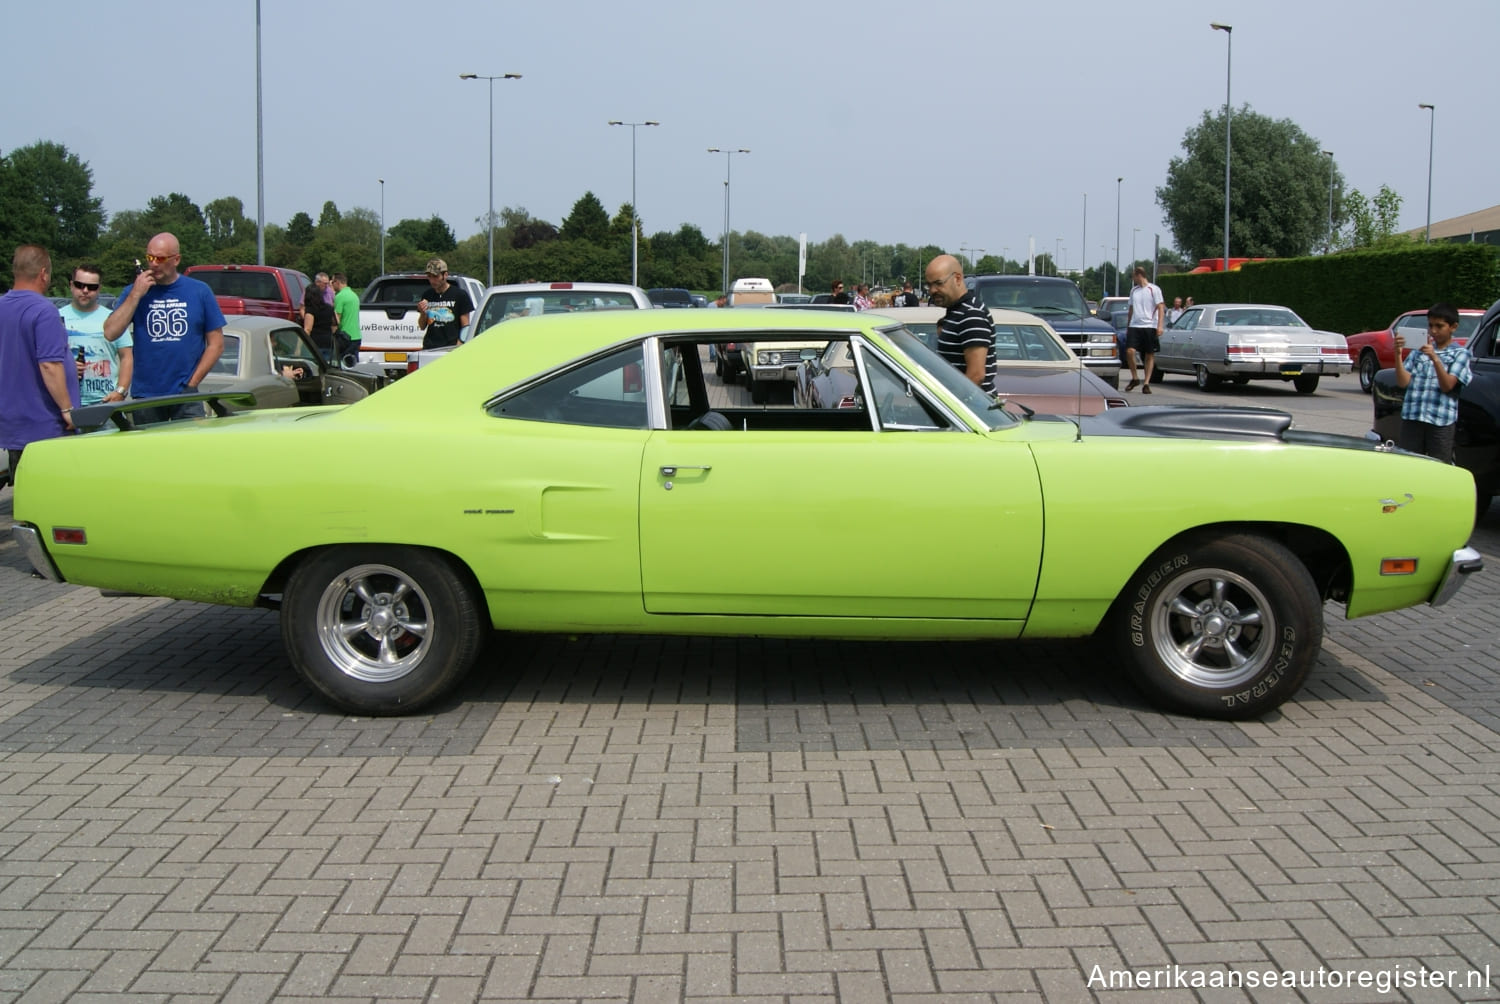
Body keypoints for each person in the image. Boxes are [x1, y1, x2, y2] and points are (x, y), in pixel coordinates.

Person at [103, 233, 225, 423]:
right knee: (151, 452)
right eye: (149, 258)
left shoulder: (199, 291)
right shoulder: (134, 291)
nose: (153, 264)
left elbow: (216, 344)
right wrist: (136, 294)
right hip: (146, 394)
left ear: (176, 259)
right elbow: (110, 332)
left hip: (186, 394)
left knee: (190, 450)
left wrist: (192, 383)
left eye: (160, 258)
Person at [0, 245, 79, 477]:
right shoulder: (44, 311)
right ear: (44, 273)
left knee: (26, 499)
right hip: (45, 424)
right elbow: (50, 365)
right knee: (54, 501)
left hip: (12, 423)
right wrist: (67, 409)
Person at [1393, 302, 1473, 463]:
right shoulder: (1419, 351)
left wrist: (1435, 358)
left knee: (1439, 465)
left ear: (1453, 327)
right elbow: (1403, 382)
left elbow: (1447, 386)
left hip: (1440, 420)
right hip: (1413, 416)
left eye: (1439, 326)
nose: (1433, 331)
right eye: (1430, 326)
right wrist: (1398, 355)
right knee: (1408, 463)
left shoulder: (1460, 354)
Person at [60, 263, 132, 406]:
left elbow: (126, 357)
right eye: (79, 285)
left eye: (91, 287)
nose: (85, 290)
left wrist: (121, 391)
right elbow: (47, 362)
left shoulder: (112, 318)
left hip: (106, 403)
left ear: (99, 289)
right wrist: (68, 367)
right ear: (71, 285)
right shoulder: (56, 317)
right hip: (69, 403)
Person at [924, 254, 995, 392]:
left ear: (957, 278)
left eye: (938, 283)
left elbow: (976, 375)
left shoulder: (971, 314)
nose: (932, 290)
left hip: (972, 408)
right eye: (929, 285)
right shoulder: (956, 312)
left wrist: (951, 407)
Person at [415, 258, 473, 350]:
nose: (432, 280)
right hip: (430, 347)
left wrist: (460, 344)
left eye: (435, 276)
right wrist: (423, 313)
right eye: (429, 276)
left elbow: (465, 326)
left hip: (451, 347)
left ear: (445, 275)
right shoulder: (427, 295)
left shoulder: (460, 295)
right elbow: (422, 326)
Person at [1123, 266, 1164, 393]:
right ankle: (1135, 377)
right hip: (1135, 325)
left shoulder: (1154, 289)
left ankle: (1146, 383)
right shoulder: (1134, 290)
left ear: (1139, 275)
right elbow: (1131, 309)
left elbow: (1161, 307)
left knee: (1149, 354)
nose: (1133, 279)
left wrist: (1160, 326)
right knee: (1130, 351)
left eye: (1134, 276)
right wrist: (1128, 325)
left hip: (1149, 325)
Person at [302, 272, 337, 361]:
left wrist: (301, 345)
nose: (326, 286)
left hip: (315, 343)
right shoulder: (329, 308)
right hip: (328, 342)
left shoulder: (311, 310)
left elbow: (307, 329)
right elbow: (336, 323)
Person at [331, 273, 360, 365]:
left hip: (345, 337)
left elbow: (336, 320)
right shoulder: (354, 295)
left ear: (338, 282)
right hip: (356, 336)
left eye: (333, 282)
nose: (331, 284)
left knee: (341, 365)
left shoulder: (340, 297)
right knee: (353, 365)